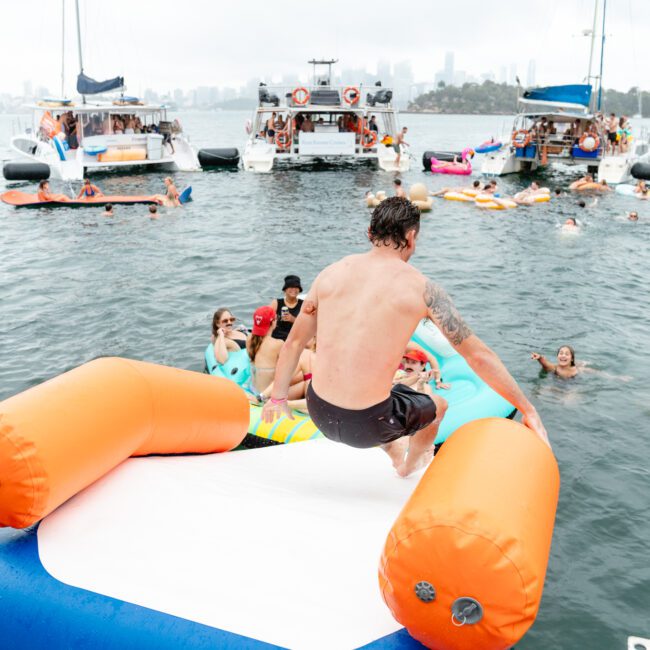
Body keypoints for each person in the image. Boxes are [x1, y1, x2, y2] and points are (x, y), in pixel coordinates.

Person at [262, 197, 549, 477]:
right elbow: (478, 355)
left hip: (319, 411)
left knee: (396, 394)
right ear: (411, 237)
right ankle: (407, 468)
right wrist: (528, 409)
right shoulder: (423, 289)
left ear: (370, 233)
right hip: (366, 425)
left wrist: (278, 398)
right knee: (438, 406)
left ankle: (395, 450)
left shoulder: (329, 274)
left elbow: (294, 343)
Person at [247, 305, 285, 395]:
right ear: (273, 322)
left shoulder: (249, 339)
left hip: (253, 389)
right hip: (268, 394)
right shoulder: (278, 344)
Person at [270, 275, 304, 342]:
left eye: (296, 287)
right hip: (277, 338)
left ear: (299, 290)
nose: (294, 289)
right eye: (291, 287)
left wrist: (293, 319)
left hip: (294, 338)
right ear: (285, 289)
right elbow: (267, 320)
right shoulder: (276, 303)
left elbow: (307, 325)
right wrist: (275, 318)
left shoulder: (303, 304)